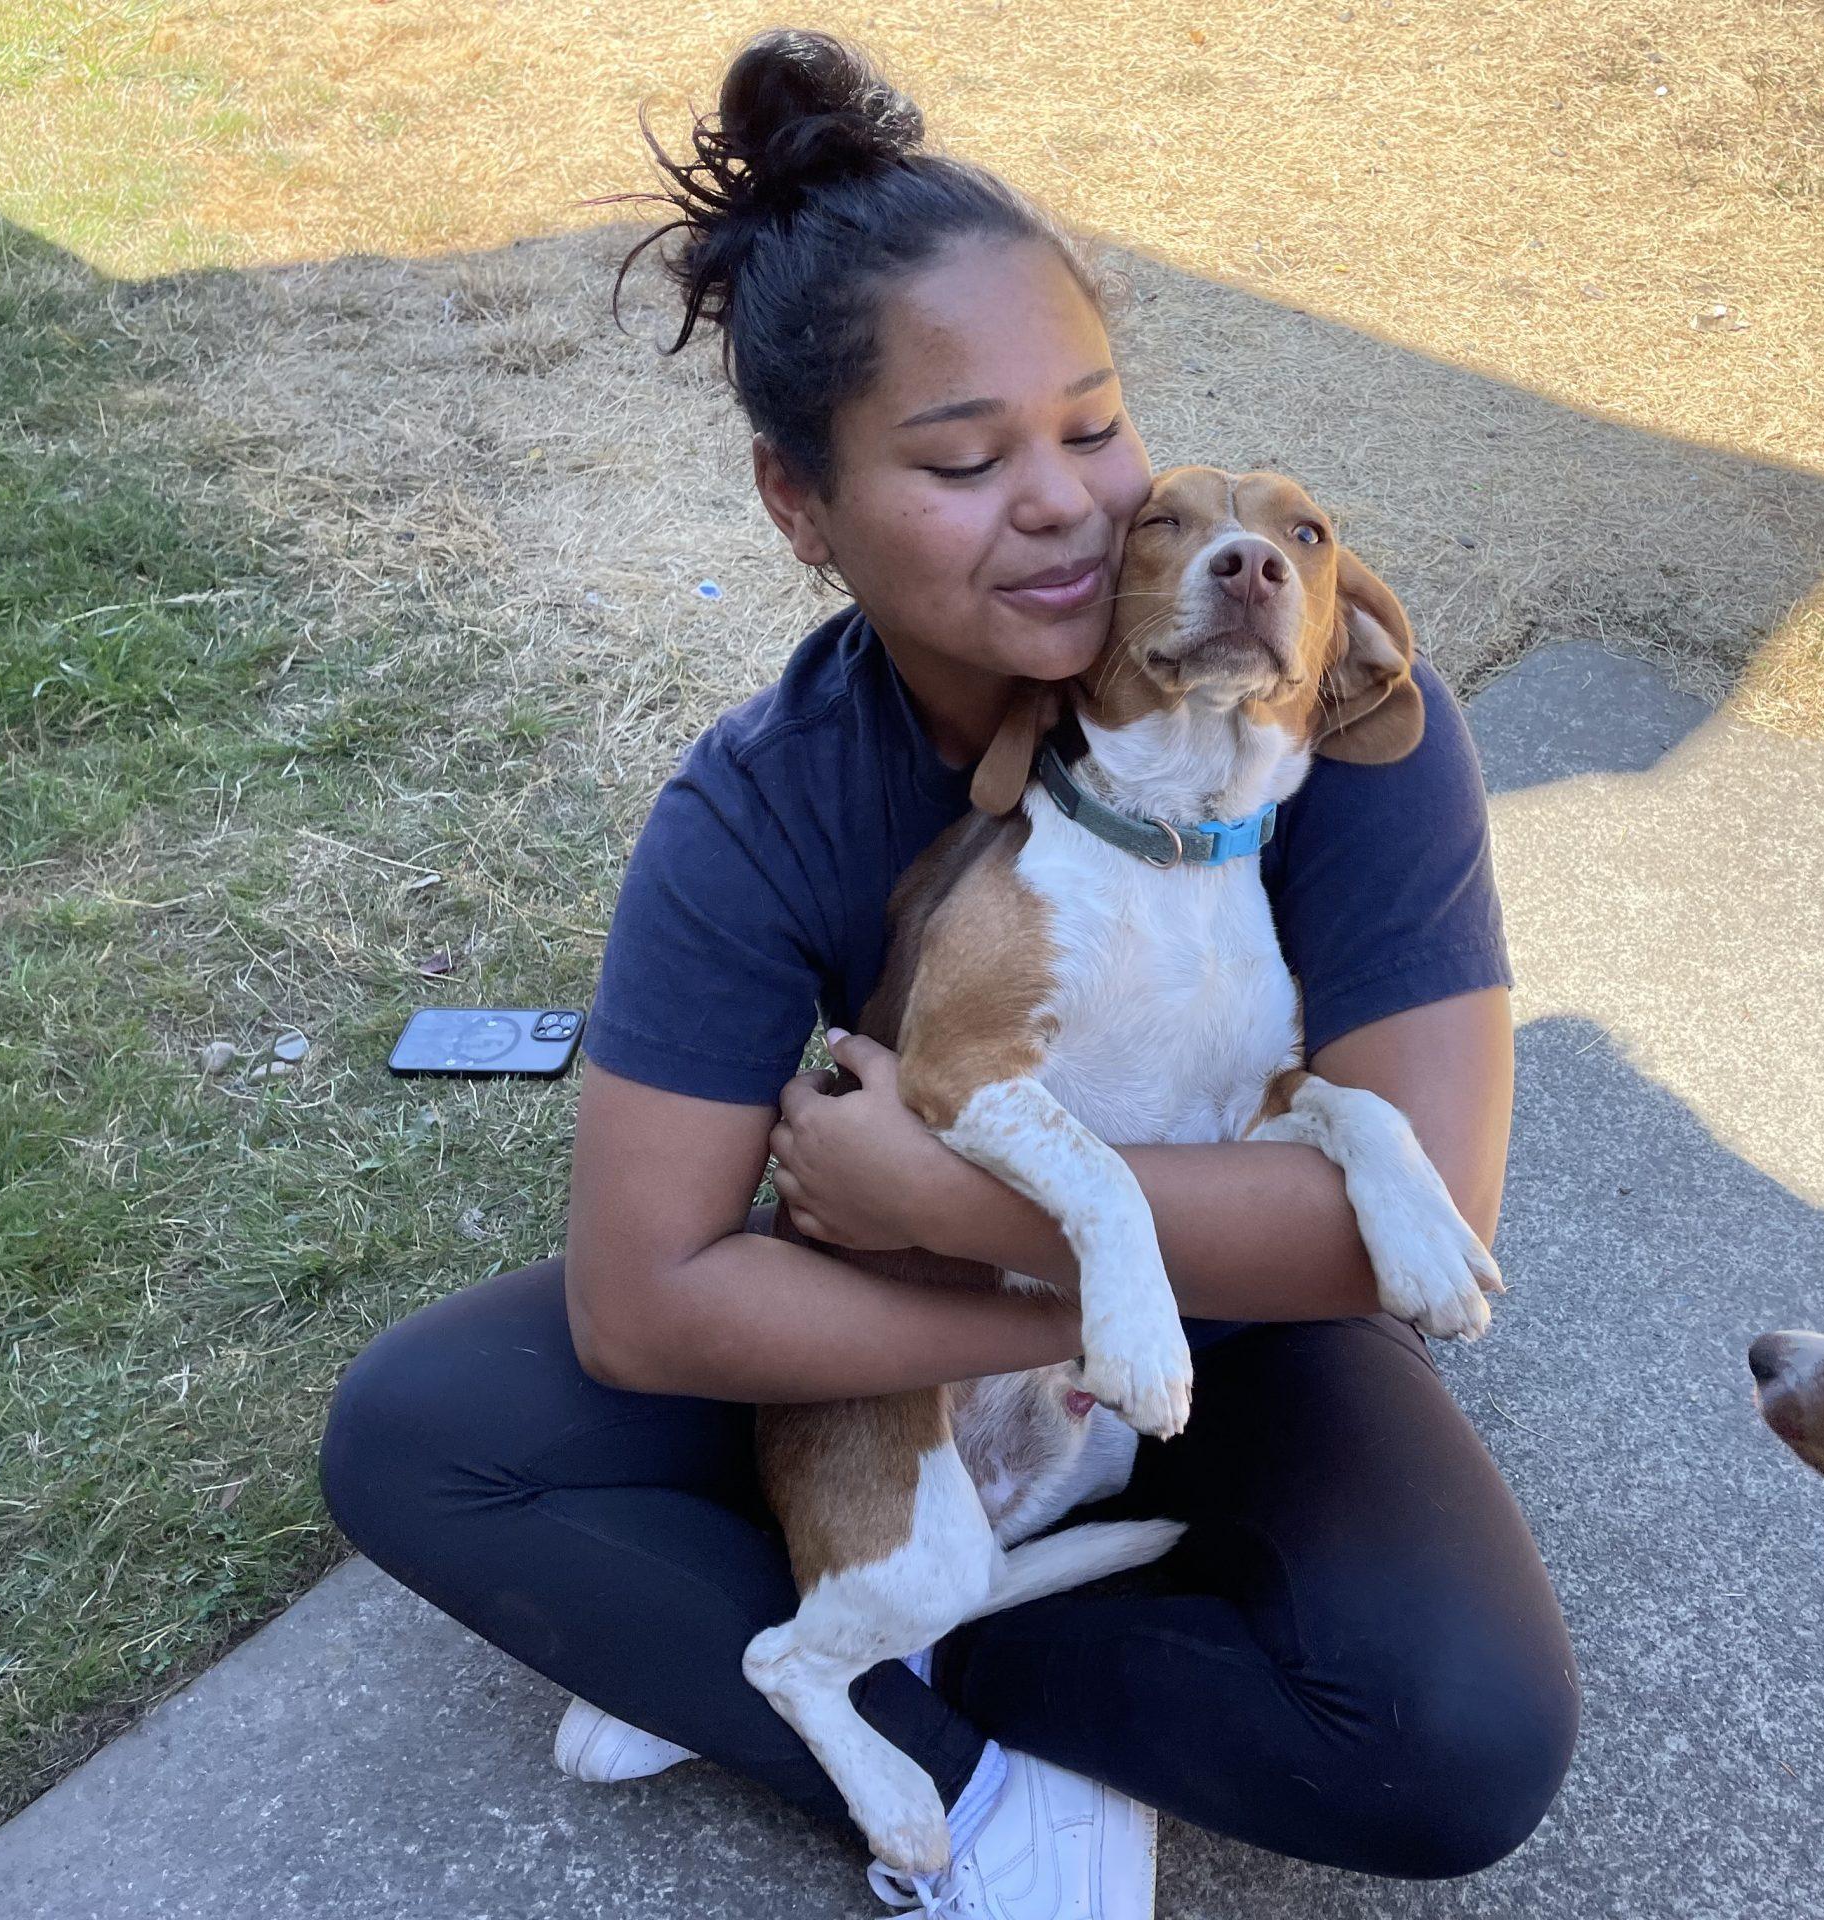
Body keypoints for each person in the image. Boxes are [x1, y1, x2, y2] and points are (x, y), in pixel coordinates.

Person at [320, 29, 1576, 1919]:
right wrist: (1023, 1304)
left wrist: (967, 1203)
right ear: (800, 507)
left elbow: (1418, 1218)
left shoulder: (1333, 701)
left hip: (1237, 1322)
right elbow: (650, 1305)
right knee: (419, 1443)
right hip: (932, 1316)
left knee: (1458, 1736)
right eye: (968, 459)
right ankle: (957, 1737)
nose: (1066, 503)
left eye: (1095, 428)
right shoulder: (758, 806)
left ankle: (847, 1646)